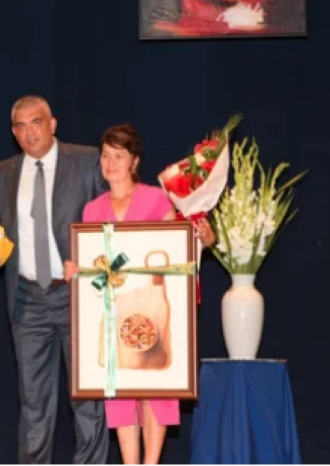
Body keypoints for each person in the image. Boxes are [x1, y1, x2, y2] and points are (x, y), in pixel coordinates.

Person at [66, 124, 214, 464]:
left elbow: (176, 253)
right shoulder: (92, 210)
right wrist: (77, 271)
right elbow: (93, 267)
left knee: (154, 388)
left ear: (134, 161)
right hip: (113, 313)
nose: (110, 164)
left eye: (118, 157)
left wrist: (205, 241)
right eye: (105, 156)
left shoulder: (157, 199)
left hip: (152, 309)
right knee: (121, 391)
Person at [0, 95, 109, 464]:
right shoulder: (2, 172)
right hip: (27, 299)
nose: (29, 132)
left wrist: (91, 263)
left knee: (87, 400)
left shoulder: (87, 160)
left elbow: (111, 220)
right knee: (33, 403)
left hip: (79, 295)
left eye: (36, 122)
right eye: (20, 126)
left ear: (52, 124)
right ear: (13, 132)